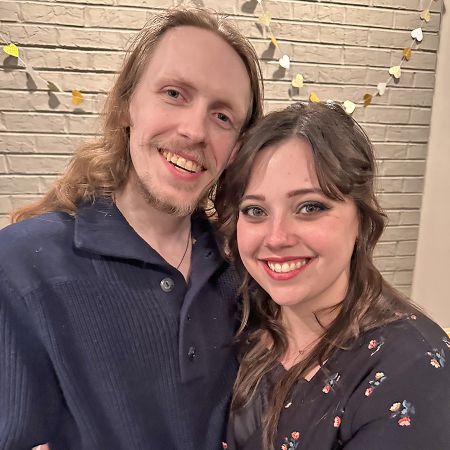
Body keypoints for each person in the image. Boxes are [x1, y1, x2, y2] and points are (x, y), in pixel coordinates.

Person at [0, 7, 263, 450]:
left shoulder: (244, 270)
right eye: (174, 93)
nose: (194, 130)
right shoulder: (19, 267)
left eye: (223, 117)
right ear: (126, 105)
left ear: (237, 149)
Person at [214, 102, 450, 449]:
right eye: (255, 210)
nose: (276, 238)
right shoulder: (241, 316)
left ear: (361, 219)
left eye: (310, 207)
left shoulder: (412, 370)